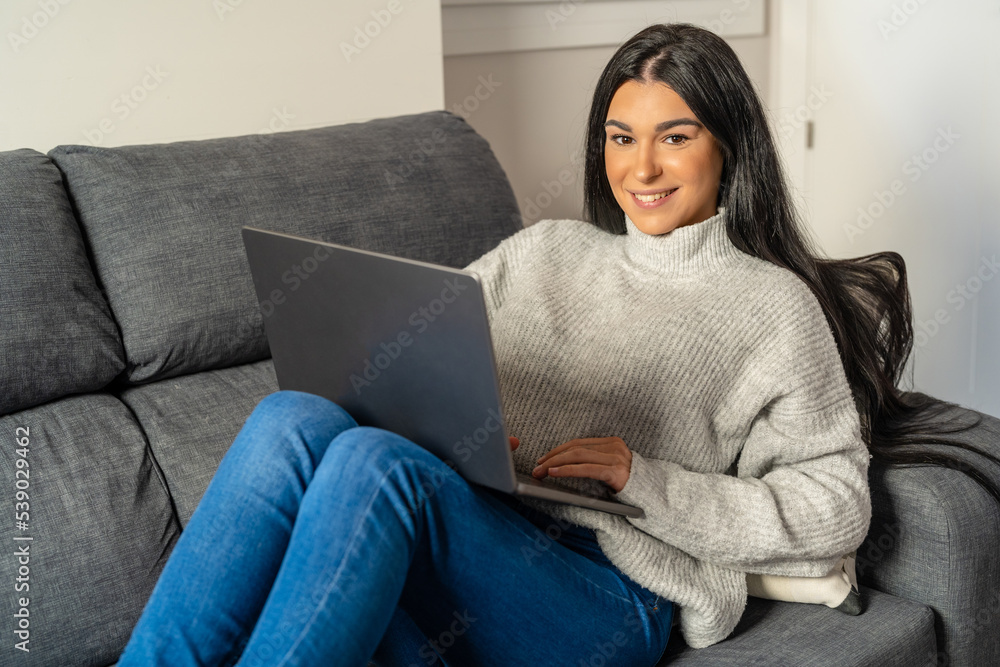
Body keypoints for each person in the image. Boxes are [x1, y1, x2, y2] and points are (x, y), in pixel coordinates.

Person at [117, 22, 996, 667]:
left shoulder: (774, 308)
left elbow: (837, 504)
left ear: (728, 150)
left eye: (674, 137)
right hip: (478, 529)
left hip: (610, 593)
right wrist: (443, 425)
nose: (640, 168)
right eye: (621, 138)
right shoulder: (546, 250)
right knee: (292, 418)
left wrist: (643, 478)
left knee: (369, 468)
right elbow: (423, 362)